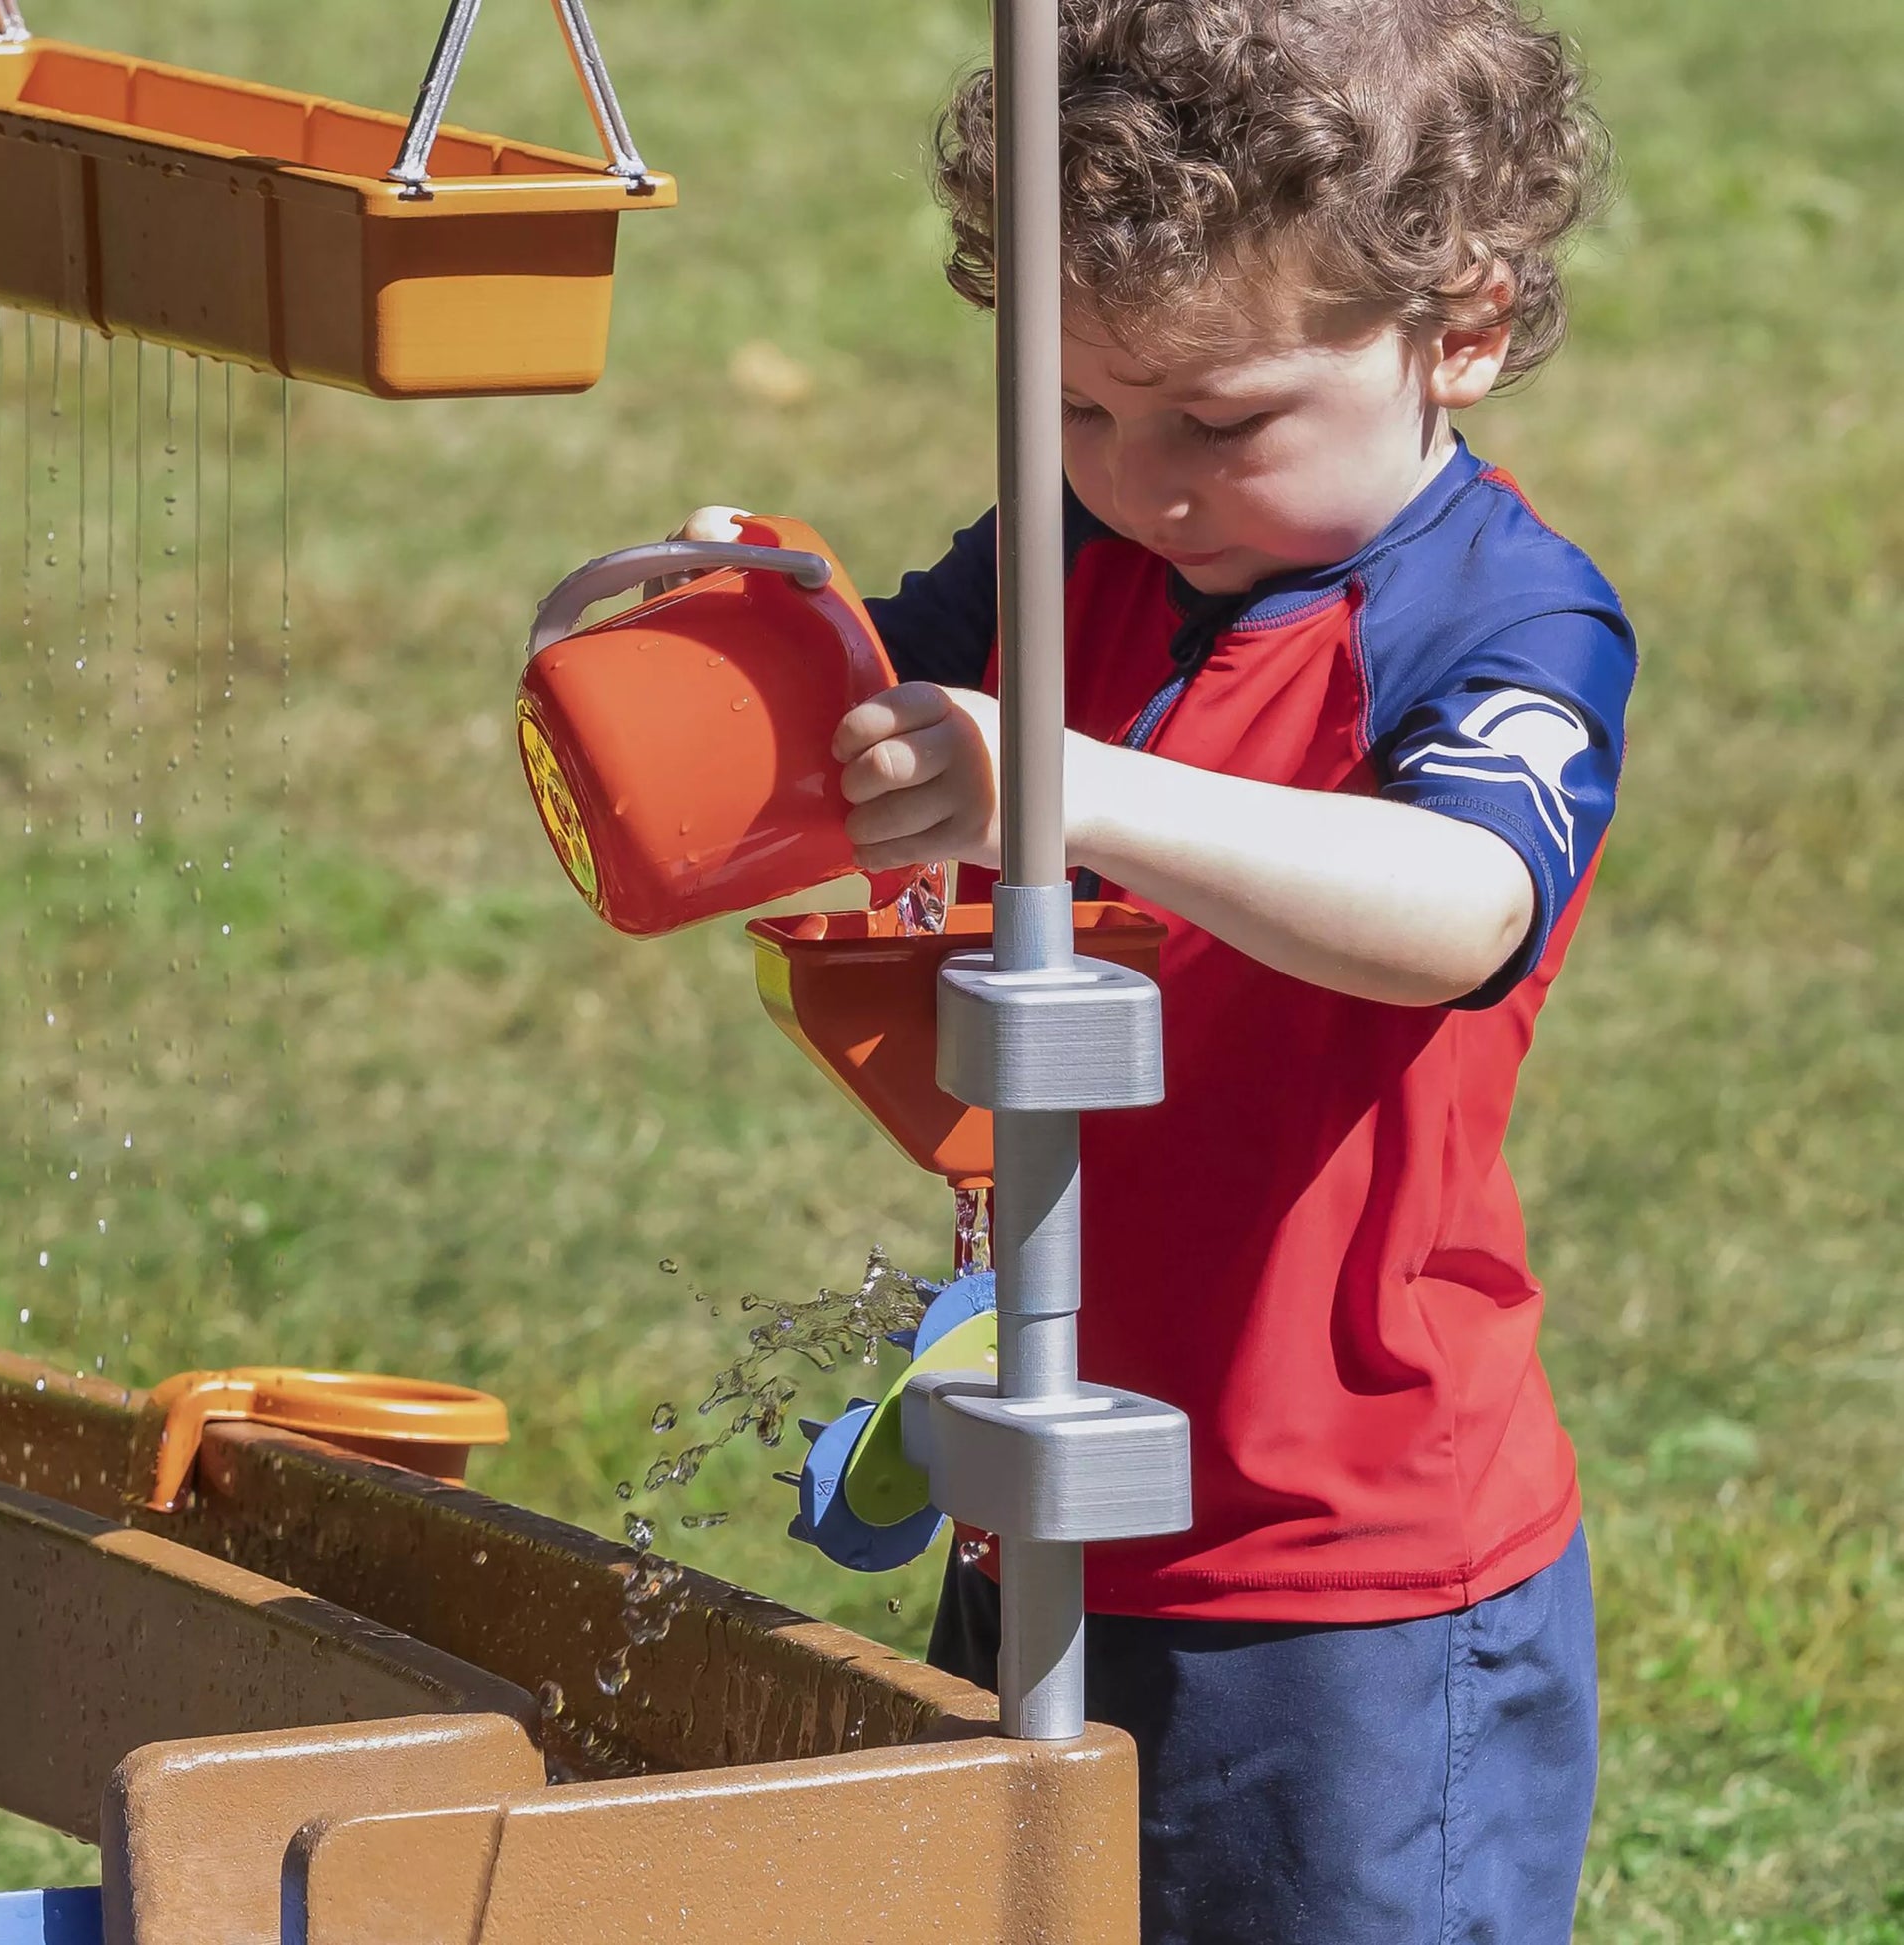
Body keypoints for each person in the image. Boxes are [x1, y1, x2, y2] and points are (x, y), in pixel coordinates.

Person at [680, 1, 1633, 1936]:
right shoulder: (1079, 544)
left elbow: (1458, 904)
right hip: (1041, 1456)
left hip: (1339, 1563)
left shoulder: (1496, 614)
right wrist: (739, 648)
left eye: (1219, 421)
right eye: (1078, 410)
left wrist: (1064, 782)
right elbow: (863, 719)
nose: (1140, 480)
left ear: (1457, 326)